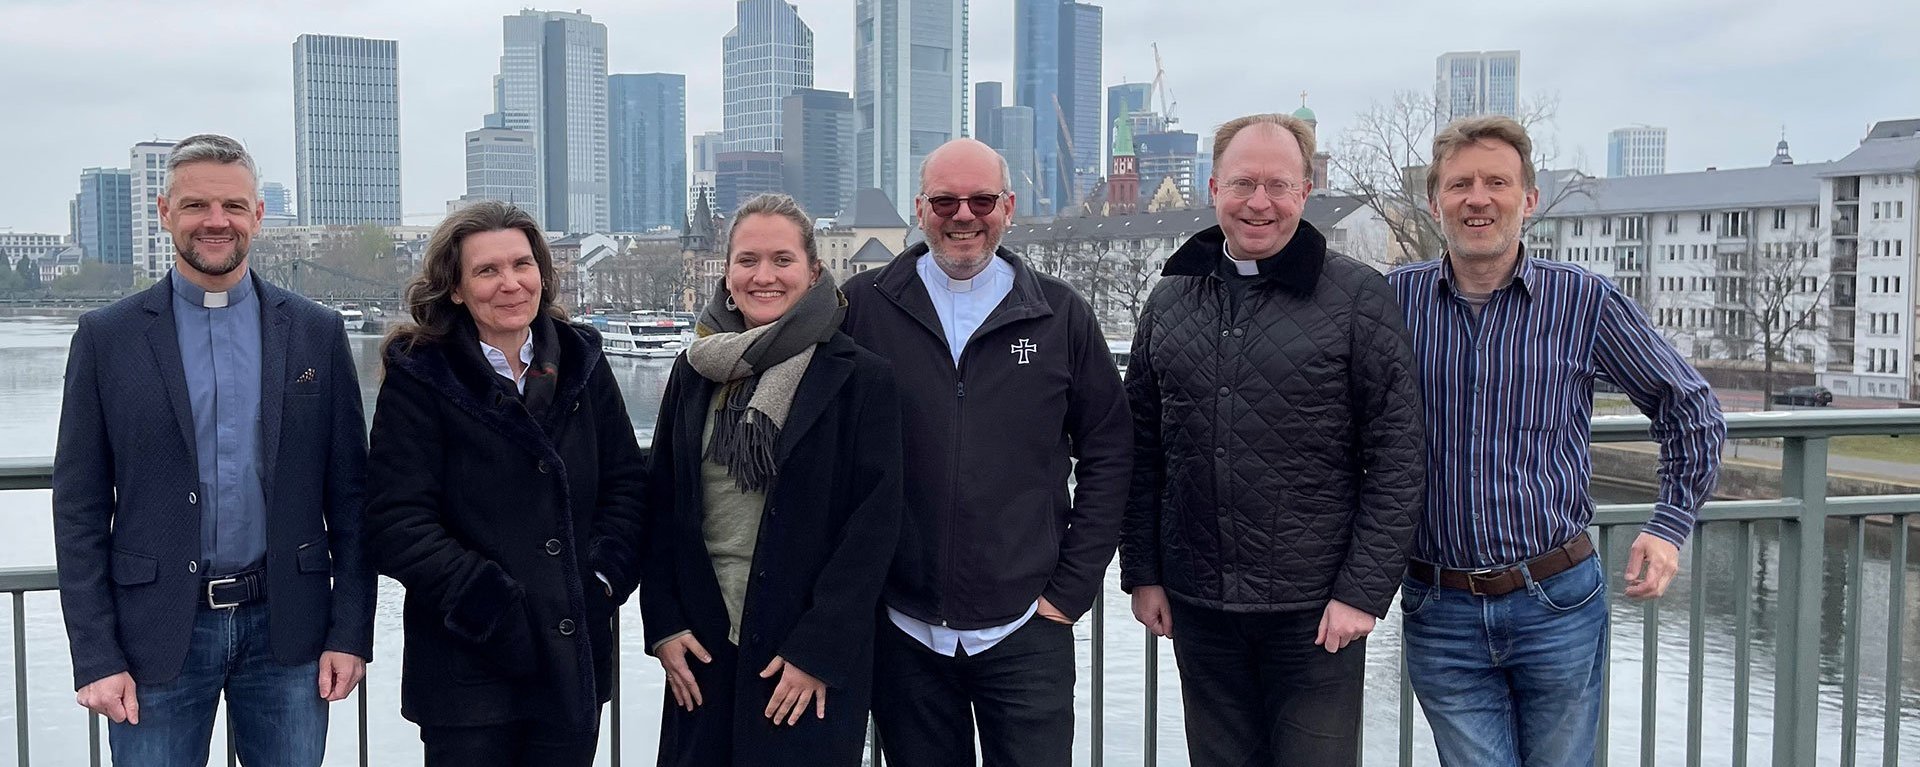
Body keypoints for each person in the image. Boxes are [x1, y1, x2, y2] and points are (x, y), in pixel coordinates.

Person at [1386, 116, 1726, 767]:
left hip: (1557, 600)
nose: (1477, 198)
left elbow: (1690, 407)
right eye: (1460, 184)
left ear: (1529, 199)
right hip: (1439, 604)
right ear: (1435, 202)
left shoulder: (1584, 301)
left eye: (1496, 182)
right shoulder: (1391, 303)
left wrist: (1668, 523)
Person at [52, 133, 374, 765]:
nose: (215, 221)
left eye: (232, 205)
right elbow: (79, 509)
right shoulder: (106, 338)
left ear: (258, 214)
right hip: (155, 638)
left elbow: (353, 497)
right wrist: (95, 654)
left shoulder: (317, 332)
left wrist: (351, 631)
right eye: (196, 205)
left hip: (291, 632)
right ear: (164, 210)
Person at [1119, 113, 1426, 766]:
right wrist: (1144, 571)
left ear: (1305, 191)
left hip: (1316, 615)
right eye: (1243, 183)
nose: (1260, 202)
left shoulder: (1357, 298)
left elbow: (1399, 457)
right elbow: (1142, 449)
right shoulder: (1170, 298)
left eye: (1278, 185)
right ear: (1213, 189)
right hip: (1200, 606)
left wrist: (1361, 593)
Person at [842, 138, 1132, 767]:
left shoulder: (1059, 316)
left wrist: (1071, 591)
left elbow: (1110, 451)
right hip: (903, 626)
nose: (963, 215)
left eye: (981, 200)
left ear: (1009, 206)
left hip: (1027, 625)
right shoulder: (864, 306)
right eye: (945, 200)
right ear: (920, 208)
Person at [363, 200, 647, 766]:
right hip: (467, 666)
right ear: (456, 289)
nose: (510, 283)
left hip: (571, 654)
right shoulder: (421, 375)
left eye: (522, 265)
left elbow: (627, 488)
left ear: (542, 273)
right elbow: (395, 519)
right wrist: (488, 604)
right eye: (487, 271)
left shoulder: (583, 362)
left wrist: (599, 581)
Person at [635, 193, 903, 766]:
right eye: (747, 260)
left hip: (801, 657)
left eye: (782, 260)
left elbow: (873, 526)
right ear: (726, 274)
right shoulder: (695, 370)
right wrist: (664, 624)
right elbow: (660, 503)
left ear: (813, 272)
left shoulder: (861, 378)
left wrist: (819, 649)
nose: (764, 276)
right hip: (702, 649)